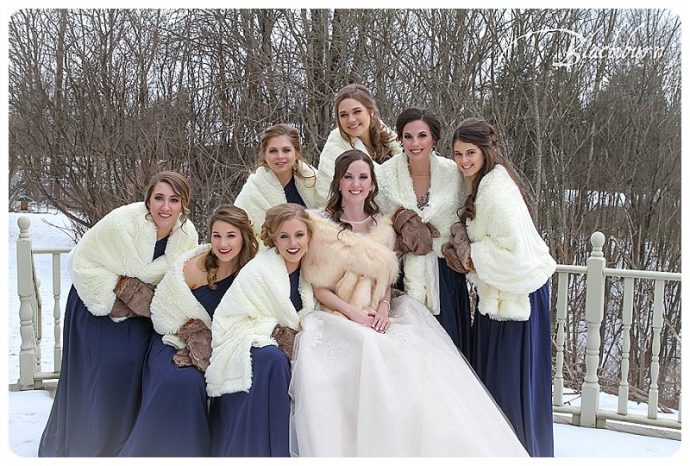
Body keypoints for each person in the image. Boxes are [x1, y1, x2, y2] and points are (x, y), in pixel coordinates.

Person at [290, 150, 528, 457]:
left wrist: (383, 310)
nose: (355, 184)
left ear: (372, 184)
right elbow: (320, 288)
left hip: (379, 311)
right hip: (337, 313)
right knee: (366, 350)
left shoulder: (382, 224)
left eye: (363, 177)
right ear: (338, 181)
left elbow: (387, 280)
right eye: (348, 177)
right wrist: (354, 316)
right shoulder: (318, 223)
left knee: (416, 365)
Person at [38, 171, 199, 456]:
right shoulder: (122, 221)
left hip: (141, 314)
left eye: (174, 200)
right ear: (148, 198)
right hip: (96, 307)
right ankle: (89, 445)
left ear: (183, 204)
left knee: (134, 366)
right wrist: (122, 292)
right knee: (105, 369)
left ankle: (120, 446)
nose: (165, 207)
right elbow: (83, 263)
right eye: (159, 198)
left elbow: (176, 283)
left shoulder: (187, 236)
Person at [442, 117, 557, 457]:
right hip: (500, 297)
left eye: (470, 153)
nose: (463, 161)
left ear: (486, 151)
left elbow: (514, 256)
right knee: (495, 383)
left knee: (509, 386)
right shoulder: (480, 183)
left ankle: (519, 453)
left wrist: (469, 254)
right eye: (458, 153)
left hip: (515, 299)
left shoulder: (497, 190)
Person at [118, 204, 258, 456]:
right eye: (217, 235)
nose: (223, 243)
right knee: (181, 381)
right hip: (174, 341)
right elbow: (164, 311)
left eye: (230, 236)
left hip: (221, 348)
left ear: (243, 236)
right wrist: (192, 334)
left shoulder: (251, 272)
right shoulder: (197, 266)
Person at [205, 203, 315, 457]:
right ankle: (272, 452)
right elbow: (228, 319)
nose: (293, 243)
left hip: (295, 342)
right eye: (284, 236)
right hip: (246, 342)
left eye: (299, 235)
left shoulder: (312, 268)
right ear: (273, 238)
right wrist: (273, 332)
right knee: (273, 361)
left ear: (309, 236)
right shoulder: (259, 271)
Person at [376, 107, 472, 357]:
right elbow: (377, 224)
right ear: (400, 139)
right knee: (407, 352)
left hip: (446, 275)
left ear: (434, 139)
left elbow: (469, 215)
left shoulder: (454, 173)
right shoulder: (384, 175)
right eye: (408, 137)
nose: (415, 143)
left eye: (422, 136)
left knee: (448, 350)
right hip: (402, 276)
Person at [314, 83, 402, 205]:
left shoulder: (390, 139)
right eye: (343, 115)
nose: (351, 120)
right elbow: (326, 198)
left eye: (357, 112)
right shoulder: (334, 150)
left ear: (370, 111)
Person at [235, 123, 318, 243]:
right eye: (273, 151)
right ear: (264, 155)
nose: (280, 156)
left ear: (296, 153)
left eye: (286, 150)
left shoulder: (314, 182)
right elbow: (240, 234)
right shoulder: (252, 192)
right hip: (268, 258)